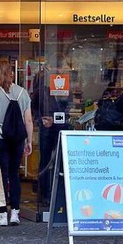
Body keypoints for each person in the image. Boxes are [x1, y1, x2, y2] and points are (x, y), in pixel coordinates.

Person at [0, 61, 34, 226]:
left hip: (0, 139)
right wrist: (29, 141)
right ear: (12, 74)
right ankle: (15, 213)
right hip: (18, 139)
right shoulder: (22, 93)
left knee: (1, 176)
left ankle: (2, 215)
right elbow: (28, 120)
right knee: (15, 175)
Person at [31, 53, 73, 206]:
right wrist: (40, 118)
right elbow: (34, 102)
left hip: (59, 124)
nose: (64, 69)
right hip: (47, 125)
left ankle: (56, 195)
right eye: (62, 66)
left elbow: (68, 101)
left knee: (58, 161)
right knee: (46, 161)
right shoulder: (42, 80)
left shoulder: (62, 80)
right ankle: (45, 195)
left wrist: (66, 111)